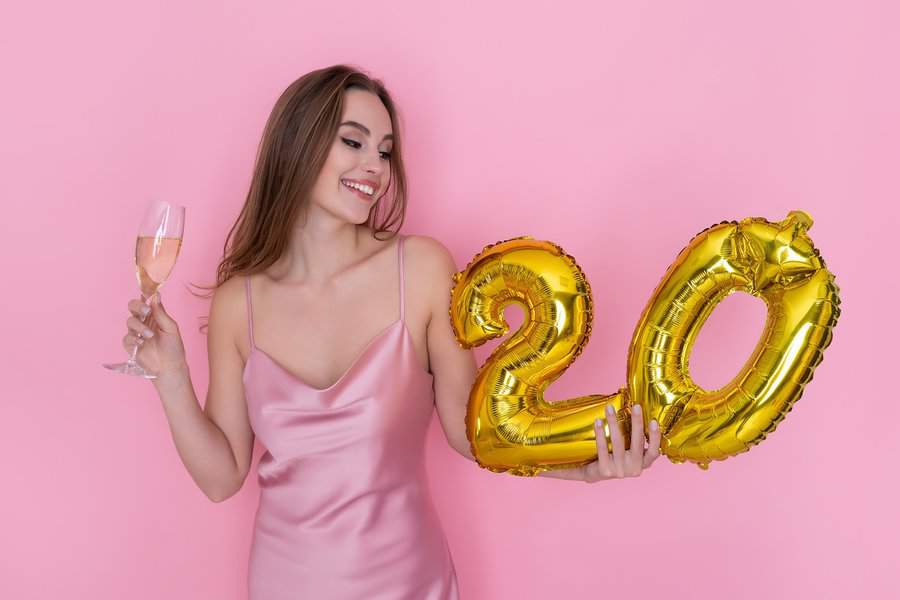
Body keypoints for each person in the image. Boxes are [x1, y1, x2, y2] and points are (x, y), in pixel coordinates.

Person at [119, 65, 662, 600]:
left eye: (383, 150)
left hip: (407, 583)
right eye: (353, 142)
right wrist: (169, 378)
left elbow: (475, 435)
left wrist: (585, 470)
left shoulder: (422, 271)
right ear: (298, 145)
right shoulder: (242, 302)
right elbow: (222, 478)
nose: (373, 166)